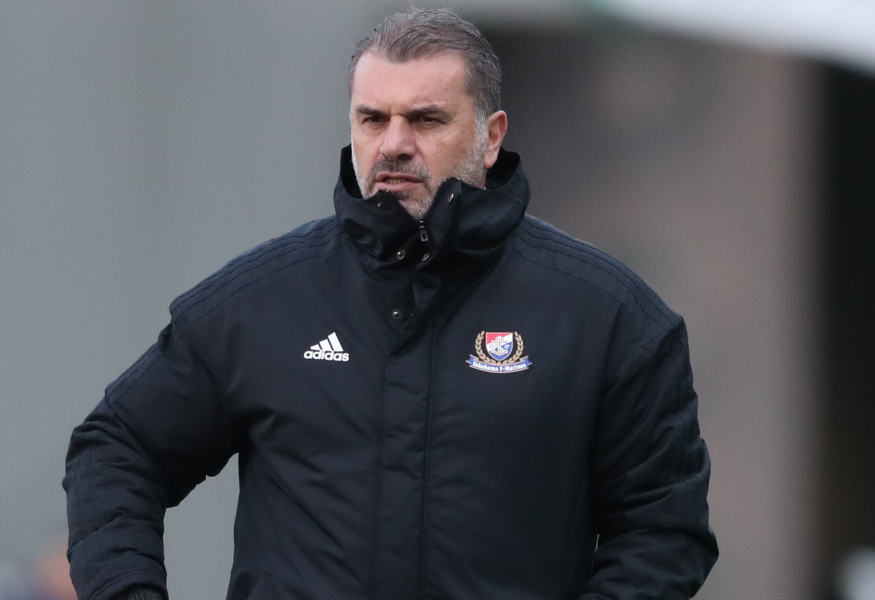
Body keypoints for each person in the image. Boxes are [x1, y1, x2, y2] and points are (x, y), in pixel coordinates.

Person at [63, 8, 718, 600]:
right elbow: (117, 447)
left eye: (426, 119)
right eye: (372, 119)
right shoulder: (262, 301)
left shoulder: (606, 316)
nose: (394, 143)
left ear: (490, 136)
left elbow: (663, 530)